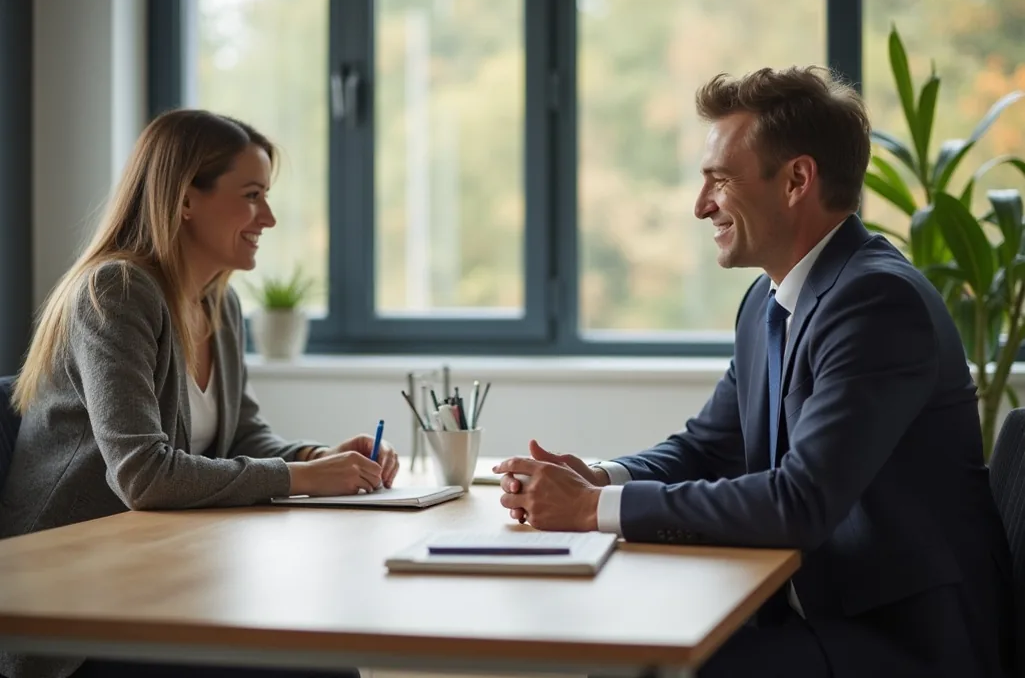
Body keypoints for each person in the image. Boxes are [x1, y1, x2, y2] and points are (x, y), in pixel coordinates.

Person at [493, 67, 1015, 678]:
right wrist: (601, 475)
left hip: (905, 644)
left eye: (720, 180)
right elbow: (710, 446)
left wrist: (591, 509)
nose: (700, 206)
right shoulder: (768, 304)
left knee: (646, 664)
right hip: (822, 613)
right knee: (628, 642)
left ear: (796, 179)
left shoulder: (877, 302)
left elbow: (799, 501)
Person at [0, 109, 398, 678]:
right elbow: (143, 474)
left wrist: (320, 458)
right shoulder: (115, 292)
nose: (270, 217)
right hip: (73, 608)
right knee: (314, 663)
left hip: (160, 577)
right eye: (253, 195)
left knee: (323, 651)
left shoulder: (218, 303)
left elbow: (241, 435)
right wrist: (301, 480)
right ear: (186, 199)